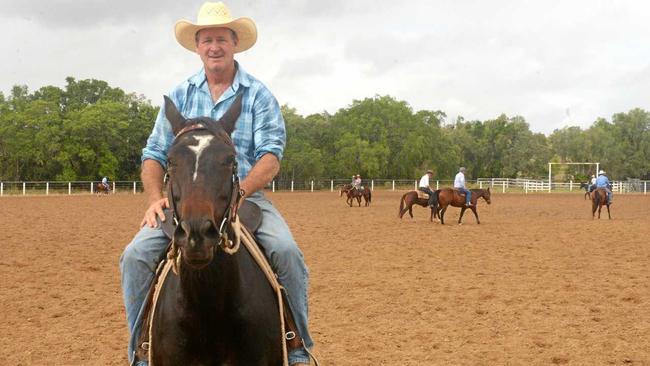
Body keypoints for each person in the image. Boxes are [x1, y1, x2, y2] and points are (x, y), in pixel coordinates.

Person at [119, 3, 313, 366]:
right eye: (206, 39)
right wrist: (154, 198)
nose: (214, 46)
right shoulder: (178, 95)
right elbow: (154, 154)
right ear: (197, 47)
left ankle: (297, 344)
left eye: (221, 39)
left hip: (243, 195)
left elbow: (270, 154)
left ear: (234, 43)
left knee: (286, 251)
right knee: (134, 257)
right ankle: (140, 352)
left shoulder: (257, 94)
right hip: (183, 201)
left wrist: (241, 192)